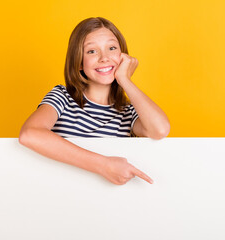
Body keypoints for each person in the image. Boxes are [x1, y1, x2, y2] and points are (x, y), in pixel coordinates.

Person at [19, 17, 170, 185]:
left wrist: (125, 79)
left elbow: (160, 130)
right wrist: (103, 165)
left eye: (112, 48)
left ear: (123, 56)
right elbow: (30, 134)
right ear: (79, 62)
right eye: (92, 51)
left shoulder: (128, 111)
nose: (104, 58)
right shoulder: (62, 96)